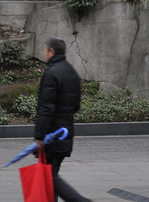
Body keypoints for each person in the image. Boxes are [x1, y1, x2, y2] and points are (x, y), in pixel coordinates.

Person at [33, 38, 91, 202]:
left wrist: (39, 135)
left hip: (52, 133)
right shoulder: (71, 72)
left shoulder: (51, 73)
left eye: (45, 50)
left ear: (51, 51)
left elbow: (46, 107)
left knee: (50, 176)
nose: (44, 53)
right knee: (51, 175)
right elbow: (76, 106)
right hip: (66, 132)